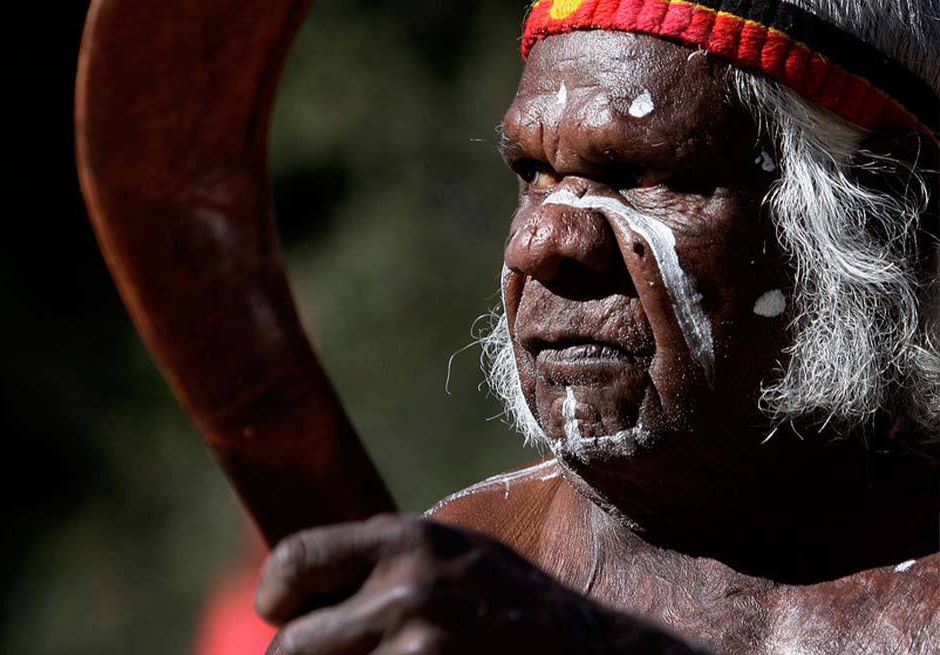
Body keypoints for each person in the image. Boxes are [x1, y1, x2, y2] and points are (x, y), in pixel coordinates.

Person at [255, 1, 940, 653]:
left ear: (891, 208)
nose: (541, 241)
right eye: (533, 172)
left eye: (638, 174)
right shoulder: (456, 573)